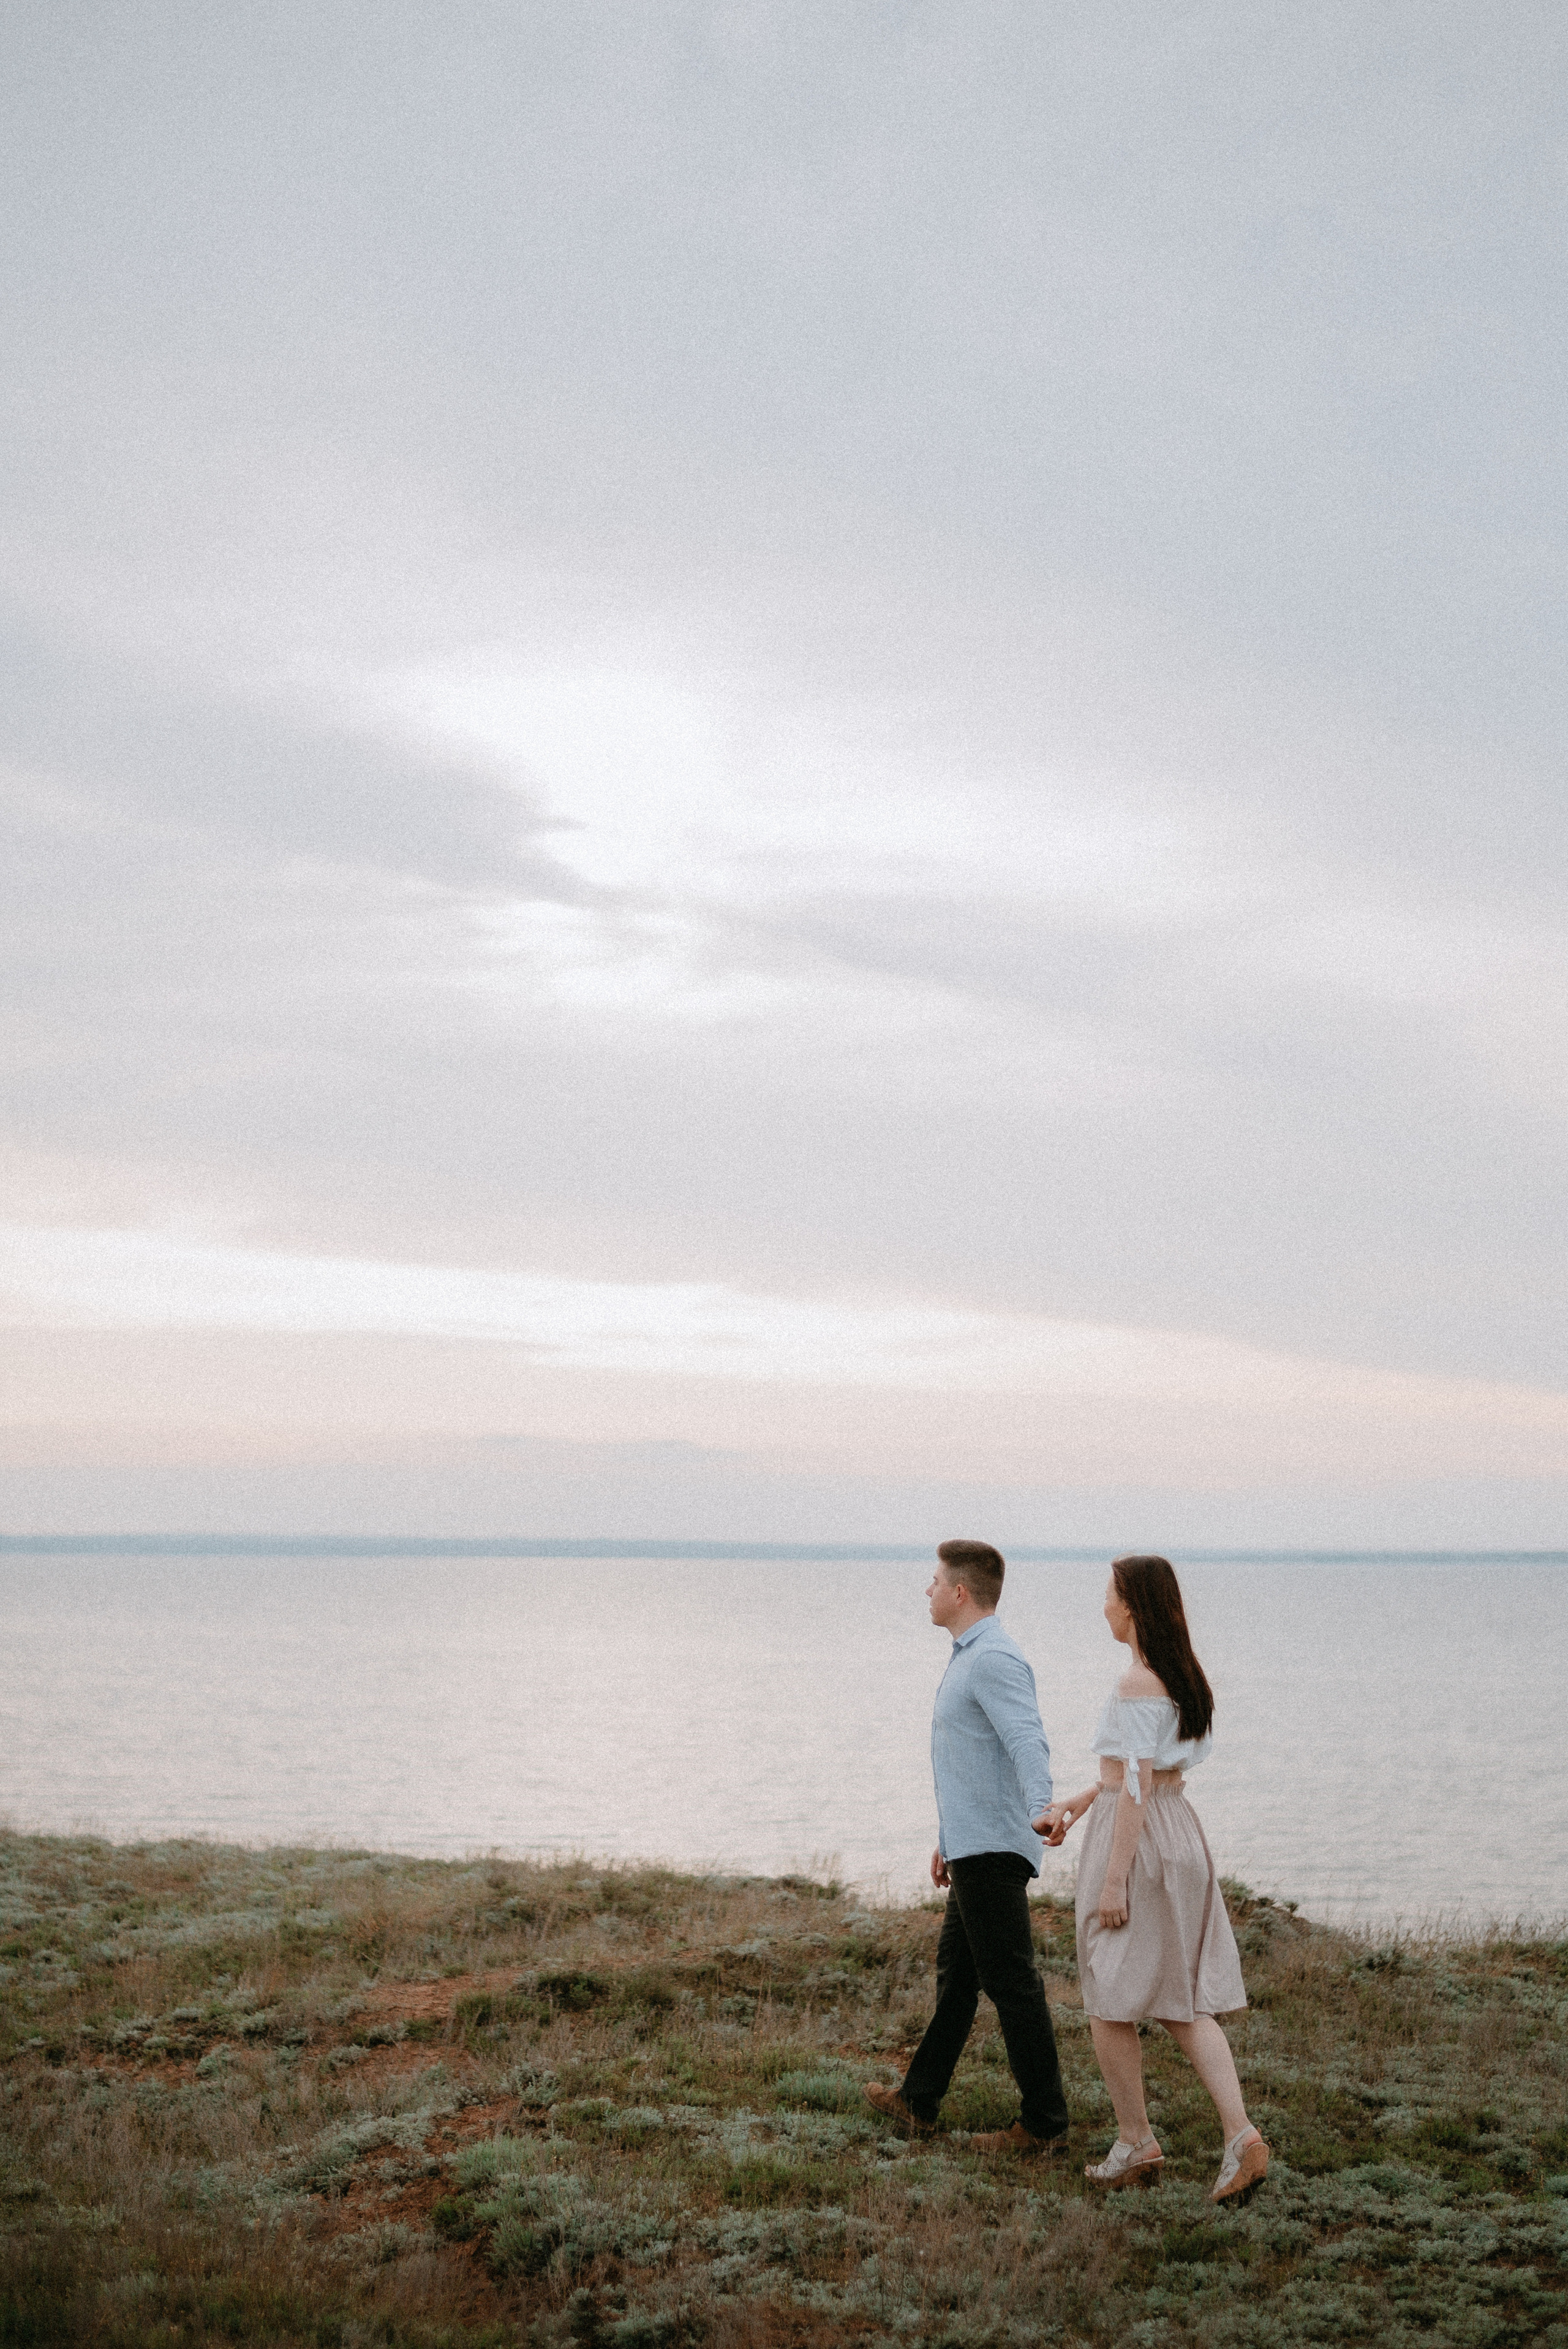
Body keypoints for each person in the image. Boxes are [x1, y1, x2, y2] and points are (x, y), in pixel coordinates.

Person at [1036, 1554, 1268, 2202]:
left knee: (1109, 1998)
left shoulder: (1137, 1681)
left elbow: (1135, 1786)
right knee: (1181, 1998)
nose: (1103, 1607)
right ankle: (1241, 2140)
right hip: (1176, 1830)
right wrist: (1082, 1802)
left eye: (1109, 1596)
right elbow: (1138, 1773)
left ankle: (1136, 2142)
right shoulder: (1179, 1674)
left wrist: (1113, 1882)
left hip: (1139, 1842)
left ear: (1131, 1605)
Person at [865, 1539, 1071, 2155]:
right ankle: (918, 2102)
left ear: (960, 1592)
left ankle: (1043, 2126)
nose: (925, 1591)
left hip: (994, 1848)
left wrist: (1042, 1809)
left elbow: (1027, 1742)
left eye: (933, 1582)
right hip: (972, 1844)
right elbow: (974, 1763)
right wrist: (947, 1840)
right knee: (958, 1978)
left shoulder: (993, 1660)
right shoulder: (970, 1656)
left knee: (1012, 1984)